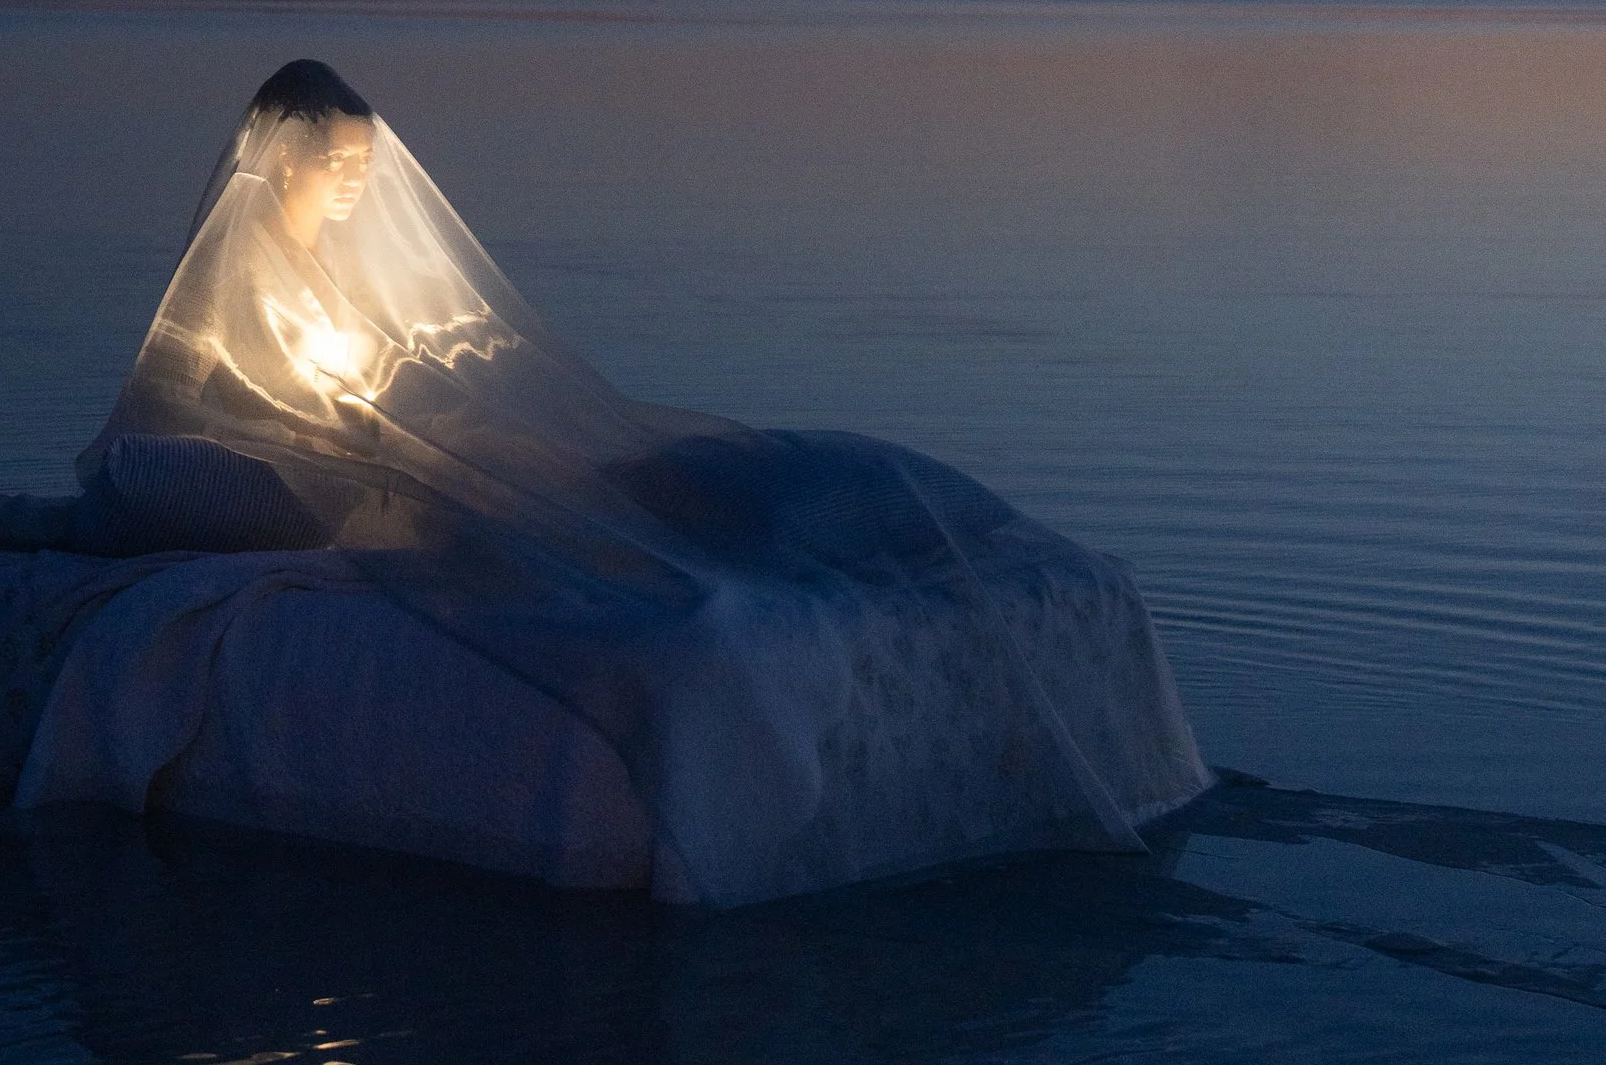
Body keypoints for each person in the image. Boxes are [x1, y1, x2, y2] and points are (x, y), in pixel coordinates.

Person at [69, 59, 1207, 903]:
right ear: (280, 162)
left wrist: (432, 413)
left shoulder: (337, 276)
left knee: (616, 478)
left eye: (369, 170)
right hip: (338, 488)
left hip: (388, 467)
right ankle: (681, 575)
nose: (360, 192)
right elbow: (198, 417)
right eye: (340, 169)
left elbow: (384, 381)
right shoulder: (225, 291)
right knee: (548, 518)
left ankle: (747, 542)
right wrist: (369, 438)